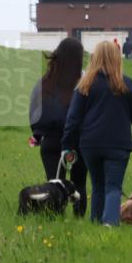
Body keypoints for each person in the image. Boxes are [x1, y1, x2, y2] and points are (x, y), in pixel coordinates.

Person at [62, 41, 132, 226]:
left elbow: (72, 119)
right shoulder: (127, 83)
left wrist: (67, 146)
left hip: (90, 145)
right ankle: (109, 223)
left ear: (95, 57)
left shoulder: (84, 84)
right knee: (113, 187)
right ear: (117, 58)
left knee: (98, 186)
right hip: (118, 145)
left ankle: (95, 222)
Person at [29, 37, 88, 216]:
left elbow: (34, 112)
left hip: (51, 141)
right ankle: (78, 218)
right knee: (79, 183)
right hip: (79, 141)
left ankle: (55, 218)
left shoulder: (44, 83)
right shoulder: (85, 82)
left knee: (54, 183)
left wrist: (38, 134)